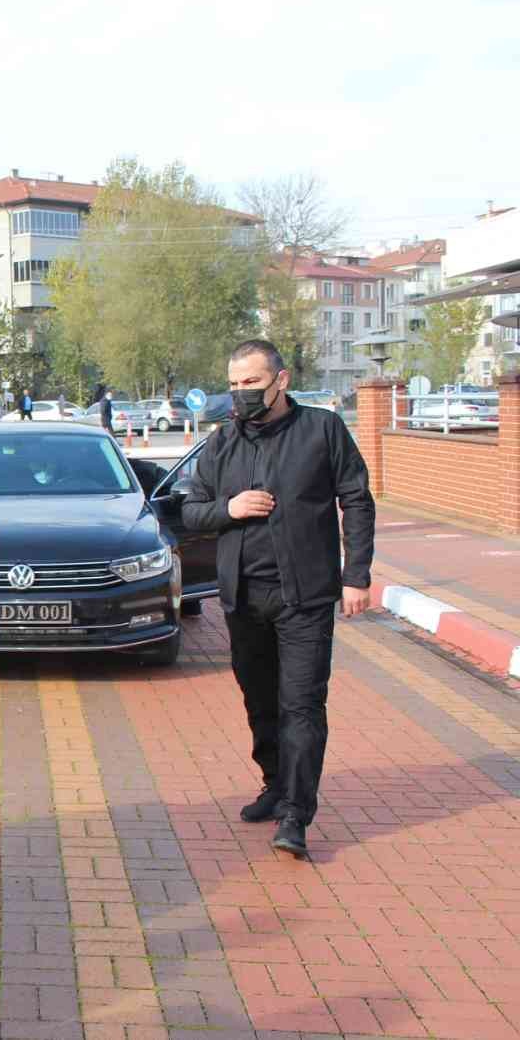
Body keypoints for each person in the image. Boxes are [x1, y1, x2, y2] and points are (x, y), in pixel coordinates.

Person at [182, 339, 374, 859]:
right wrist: (231, 507)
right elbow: (191, 511)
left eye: (252, 383)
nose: (242, 394)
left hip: (306, 597)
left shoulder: (322, 430)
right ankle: (274, 783)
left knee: (302, 705)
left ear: (280, 381)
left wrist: (356, 575)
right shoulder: (223, 442)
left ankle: (296, 813)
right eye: (235, 384)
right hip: (244, 599)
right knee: (259, 699)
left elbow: (356, 498)